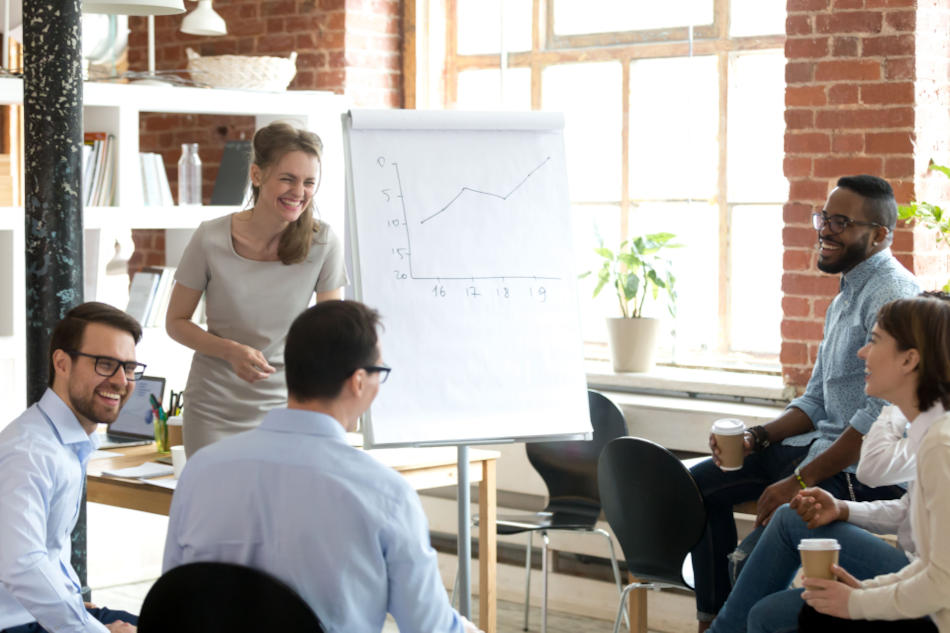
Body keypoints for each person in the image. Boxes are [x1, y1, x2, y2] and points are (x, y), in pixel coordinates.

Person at [163, 300, 483, 633]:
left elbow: (172, 598)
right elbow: (428, 628)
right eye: (380, 373)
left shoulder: (202, 469)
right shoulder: (386, 494)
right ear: (359, 381)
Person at [689, 175, 920, 630]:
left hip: (854, 473)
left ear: (879, 235)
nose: (825, 229)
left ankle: (738, 609)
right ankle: (712, 616)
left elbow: (873, 420)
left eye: (841, 221)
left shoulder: (891, 294)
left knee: (756, 551)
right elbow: (815, 398)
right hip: (819, 450)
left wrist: (798, 480)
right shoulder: (848, 292)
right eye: (824, 217)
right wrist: (757, 437)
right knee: (699, 485)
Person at [165, 121, 347, 457]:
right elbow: (175, 321)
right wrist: (230, 350)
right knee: (215, 508)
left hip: (288, 407)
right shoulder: (210, 238)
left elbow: (329, 334)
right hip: (212, 408)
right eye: (288, 179)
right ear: (257, 175)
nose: (299, 192)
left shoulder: (323, 242)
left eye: (309, 183)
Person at [794, 292, 950, 631]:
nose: (862, 352)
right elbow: (930, 563)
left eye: (875, 341)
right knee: (818, 611)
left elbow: (943, 580)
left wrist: (856, 603)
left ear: (909, 360)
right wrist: (864, 591)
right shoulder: (933, 435)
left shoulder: (941, 444)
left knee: (817, 616)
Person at [0, 302, 145, 633]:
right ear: (62, 363)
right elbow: (22, 565)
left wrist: (70, 598)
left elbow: (45, 553)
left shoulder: (64, 441)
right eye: (106, 364)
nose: (122, 380)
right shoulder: (29, 452)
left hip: (39, 614)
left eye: (130, 367)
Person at [707, 404, 916, 632]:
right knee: (763, 613)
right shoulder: (928, 422)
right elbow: (908, 510)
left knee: (766, 617)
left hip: (924, 583)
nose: (867, 366)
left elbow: (870, 469)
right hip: (911, 564)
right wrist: (841, 508)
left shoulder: (937, 437)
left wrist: (891, 403)